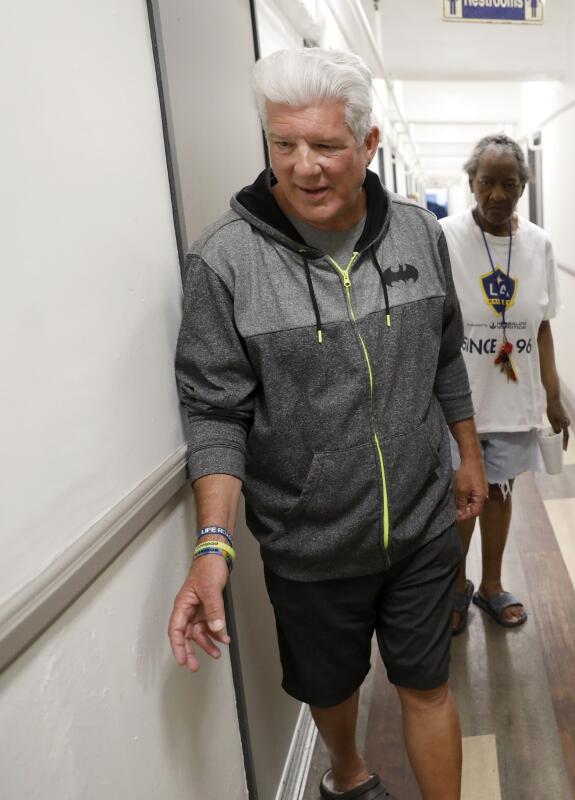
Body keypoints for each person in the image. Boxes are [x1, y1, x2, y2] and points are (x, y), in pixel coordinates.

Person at [167, 48, 487, 800]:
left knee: (428, 686)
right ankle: (346, 772)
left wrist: (467, 455)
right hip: (308, 543)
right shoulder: (225, 262)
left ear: (368, 145)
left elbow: (445, 356)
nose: (303, 167)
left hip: (421, 523)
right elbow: (215, 410)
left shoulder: (418, 235)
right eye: (284, 145)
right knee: (332, 686)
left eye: (325, 146)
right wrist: (212, 542)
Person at [440, 134, 570, 632]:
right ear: (471, 183)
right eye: (487, 182)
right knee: (461, 498)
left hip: (514, 396)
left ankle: (491, 585)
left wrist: (553, 399)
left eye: (509, 184)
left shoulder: (539, 245)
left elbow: (541, 326)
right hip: (461, 398)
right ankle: (455, 586)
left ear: (523, 188)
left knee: (499, 494)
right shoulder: (446, 236)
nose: (497, 194)